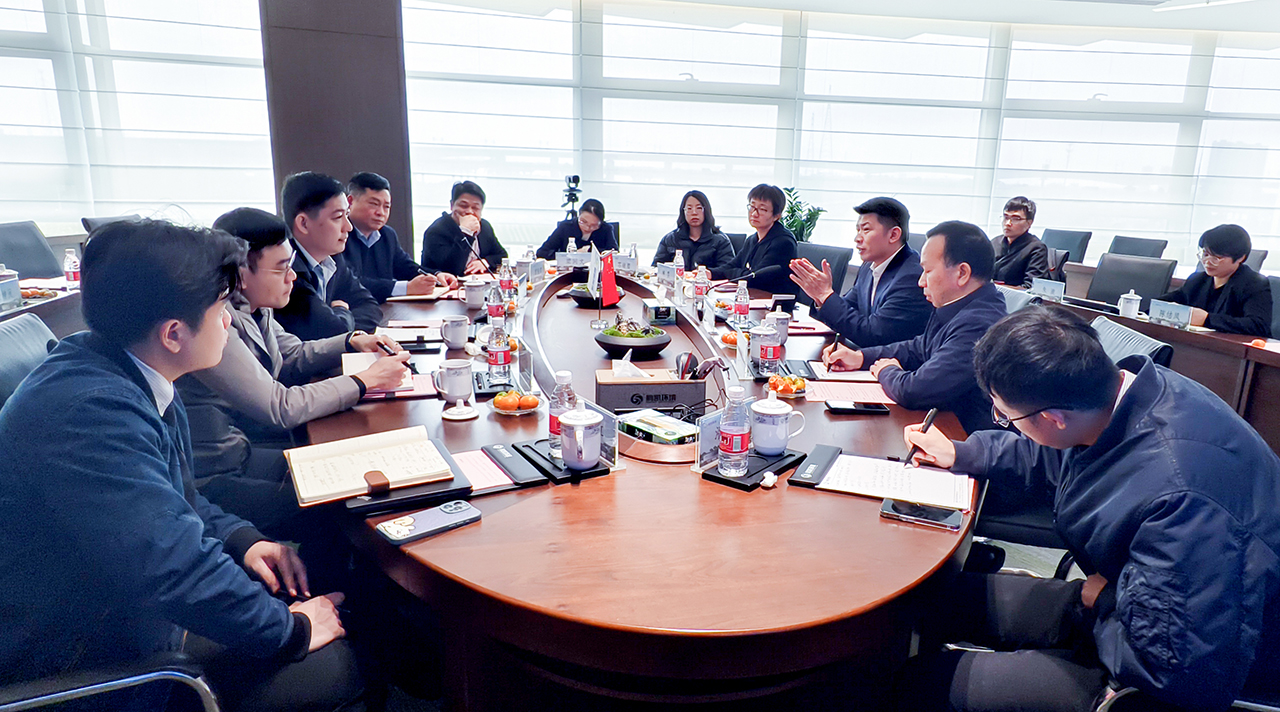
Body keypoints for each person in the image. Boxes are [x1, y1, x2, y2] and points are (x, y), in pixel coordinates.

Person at [0, 219, 368, 711]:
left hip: (126, 611)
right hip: (85, 656)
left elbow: (177, 500)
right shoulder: (90, 413)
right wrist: (292, 630)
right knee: (337, 663)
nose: (228, 323)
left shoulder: (128, 373)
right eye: (221, 309)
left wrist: (243, 538)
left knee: (318, 589)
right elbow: (172, 569)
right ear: (173, 333)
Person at [897, 305, 1280, 712]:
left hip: (1174, 669)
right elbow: (1057, 453)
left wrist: (1106, 599)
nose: (1006, 423)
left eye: (1006, 416)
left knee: (921, 683)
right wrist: (962, 452)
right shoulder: (1122, 398)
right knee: (933, 599)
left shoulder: (1182, 500)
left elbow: (1177, 668)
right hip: (1135, 604)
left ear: (1053, 417)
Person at [178, 207, 411, 539]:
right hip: (215, 476)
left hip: (241, 452)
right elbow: (280, 406)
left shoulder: (253, 307)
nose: (293, 277)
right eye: (281, 268)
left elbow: (292, 353)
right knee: (342, 508)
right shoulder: (217, 323)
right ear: (240, 275)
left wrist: (351, 340)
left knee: (358, 469)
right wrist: (365, 381)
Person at [822, 221, 1006, 434]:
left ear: (962, 273)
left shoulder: (980, 323)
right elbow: (919, 348)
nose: (921, 282)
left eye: (928, 271)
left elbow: (917, 390)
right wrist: (861, 357)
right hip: (943, 426)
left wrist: (886, 371)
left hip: (965, 437)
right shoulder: (957, 306)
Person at [789, 196, 932, 347]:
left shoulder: (911, 277)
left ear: (893, 235)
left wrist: (825, 295)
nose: (857, 238)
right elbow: (849, 308)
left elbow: (873, 335)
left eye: (866, 229)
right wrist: (820, 298)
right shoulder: (869, 266)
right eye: (858, 230)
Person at [274, 171, 381, 340]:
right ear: (303, 223)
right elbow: (335, 332)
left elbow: (370, 306)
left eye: (347, 215)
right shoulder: (287, 271)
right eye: (338, 217)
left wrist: (345, 325)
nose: (348, 227)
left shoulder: (333, 259)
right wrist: (342, 310)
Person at [342, 172, 459, 303]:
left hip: (383, 308)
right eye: (374, 204)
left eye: (386, 207)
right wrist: (406, 288)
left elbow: (405, 267)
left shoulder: (387, 234)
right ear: (350, 202)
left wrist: (435, 276)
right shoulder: (339, 235)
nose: (381, 212)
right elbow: (350, 282)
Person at [1158, 224, 1272, 337]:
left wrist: (1207, 319)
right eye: (1205, 254)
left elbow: (1258, 325)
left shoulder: (1254, 284)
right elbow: (1163, 302)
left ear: (1240, 258)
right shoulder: (1197, 280)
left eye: (1217, 258)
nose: (1208, 261)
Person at [712, 184, 797, 295]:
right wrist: (709, 273)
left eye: (762, 209)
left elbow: (754, 279)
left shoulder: (783, 243)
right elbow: (732, 265)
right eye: (752, 207)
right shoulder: (752, 239)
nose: (754, 213)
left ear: (777, 216)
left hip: (775, 302)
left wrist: (731, 273)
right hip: (753, 297)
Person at [420, 180, 508, 276]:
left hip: (478, 282)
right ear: (452, 205)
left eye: (475, 208)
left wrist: (485, 262)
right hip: (446, 283)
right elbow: (451, 269)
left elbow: (502, 256)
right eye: (463, 206)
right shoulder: (436, 231)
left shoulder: (484, 226)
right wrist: (466, 232)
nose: (469, 211)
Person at [652, 190, 735, 272]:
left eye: (699, 208)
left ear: (706, 211)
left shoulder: (720, 240)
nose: (694, 212)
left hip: (706, 280)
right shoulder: (670, 239)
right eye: (689, 208)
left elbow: (729, 270)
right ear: (683, 212)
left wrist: (710, 273)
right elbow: (656, 268)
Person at [991, 196, 1050, 288]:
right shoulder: (995, 242)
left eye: (1016, 219)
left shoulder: (1036, 248)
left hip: (1014, 296)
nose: (1008, 223)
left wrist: (995, 288)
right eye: (1006, 217)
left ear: (1029, 223)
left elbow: (1031, 287)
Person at [536, 198, 617, 259]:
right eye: (583, 222)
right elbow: (542, 252)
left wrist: (590, 250)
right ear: (579, 215)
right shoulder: (566, 227)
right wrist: (569, 256)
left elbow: (614, 253)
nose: (587, 228)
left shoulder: (606, 229)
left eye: (594, 225)